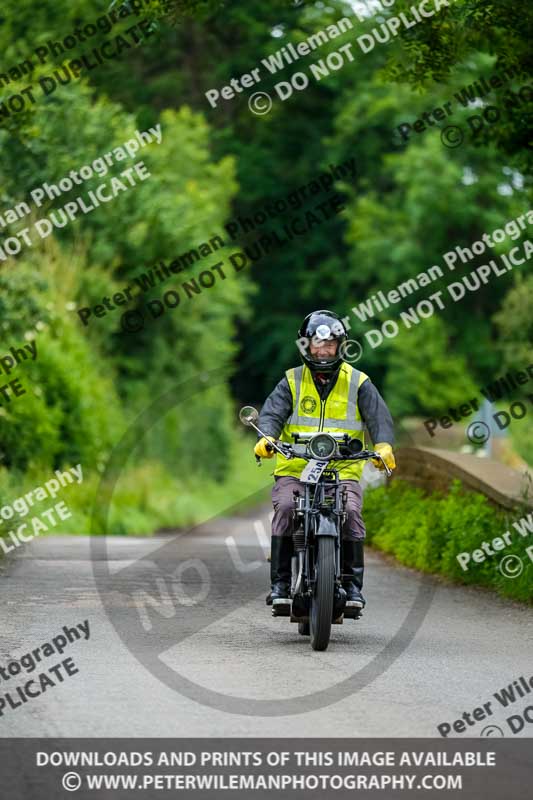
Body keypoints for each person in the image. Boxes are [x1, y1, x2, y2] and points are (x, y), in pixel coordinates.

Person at [254, 309, 396, 609]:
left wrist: (383, 446)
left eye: (329, 344)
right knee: (287, 508)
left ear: (340, 346)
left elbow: (378, 418)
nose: (323, 350)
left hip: (342, 469)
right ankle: (279, 585)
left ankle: (352, 587)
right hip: (295, 468)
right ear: (306, 346)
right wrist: (266, 439)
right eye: (317, 344)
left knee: (351, 511)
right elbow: (271, 415)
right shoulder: (291, 381)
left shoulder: (359, 382)